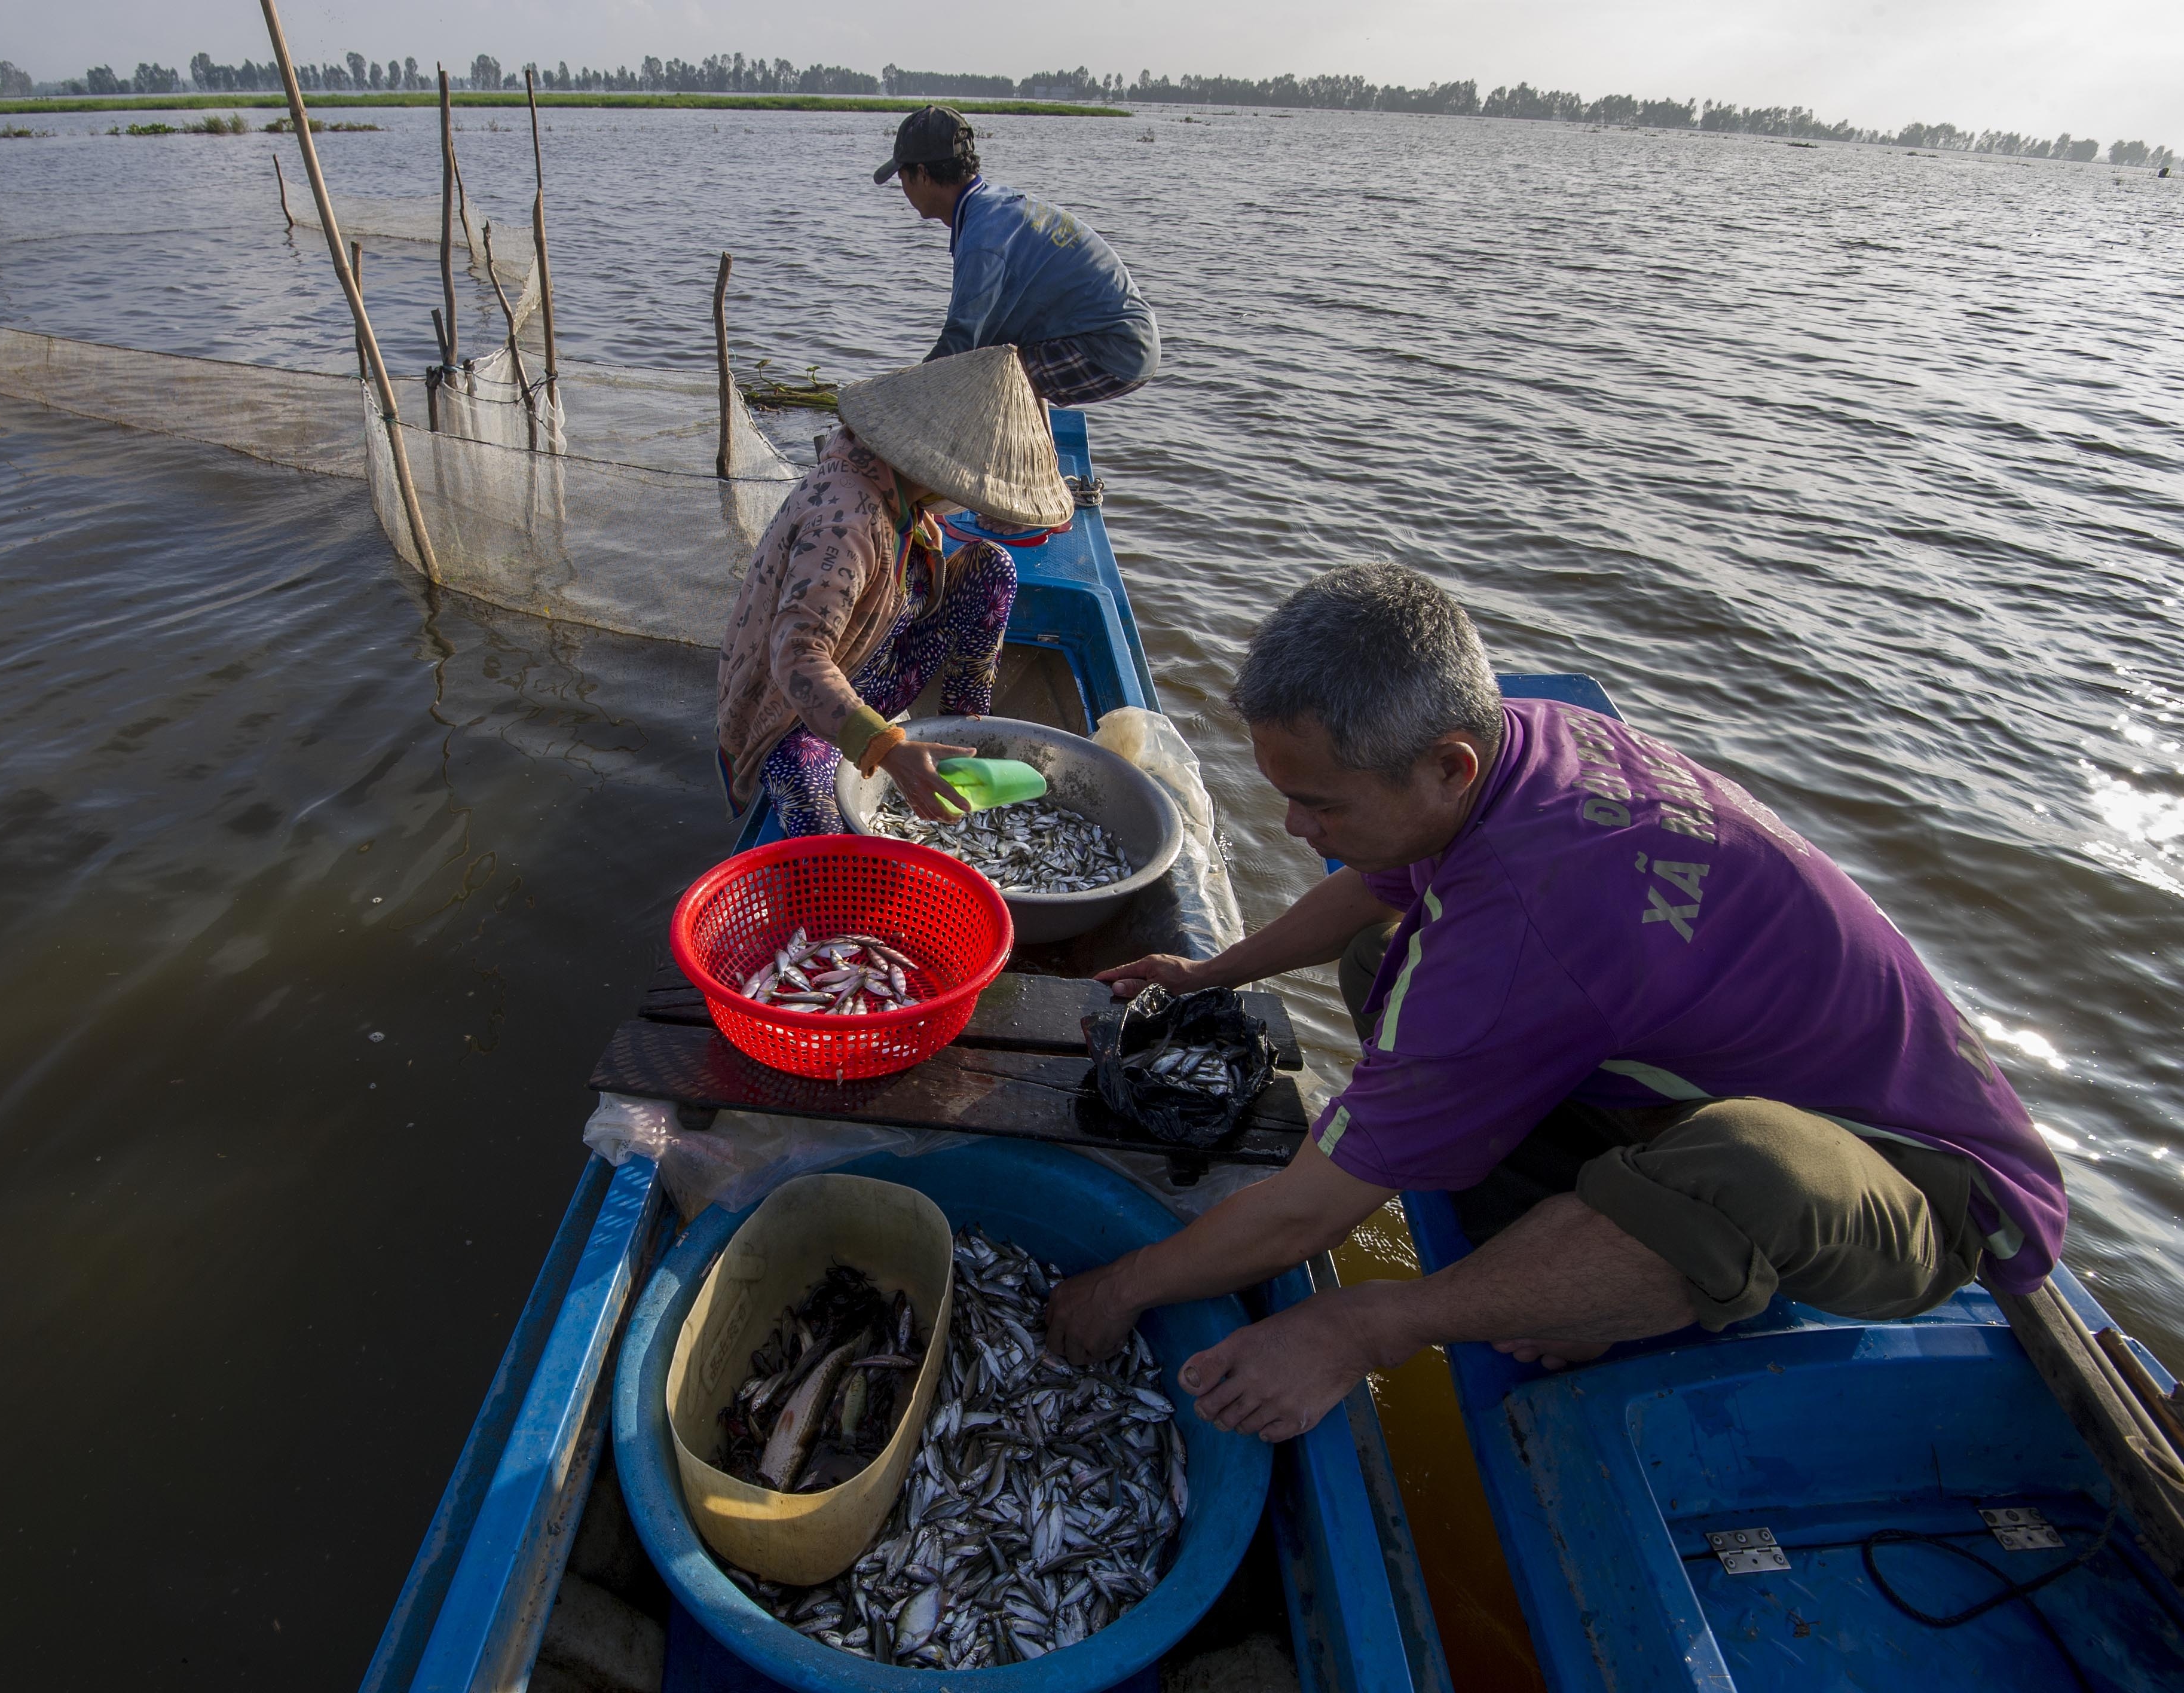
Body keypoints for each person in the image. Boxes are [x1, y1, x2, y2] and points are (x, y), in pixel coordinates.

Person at [1044, 564, 2069, 1443]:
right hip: (1686, 1066)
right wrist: (1207, 973)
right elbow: (1376, 878)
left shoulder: (1529, 926)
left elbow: (1309, 1211)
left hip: (1926, 1193)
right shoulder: (1531, 742)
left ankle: (1477, 1302)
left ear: (1449, 762)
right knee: (1379, 950)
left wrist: (1120, 1290)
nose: (1289, 823)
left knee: (1741, 1166)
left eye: (1320, 802)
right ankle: (1588, 1263)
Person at [718, 344, 1073, 837]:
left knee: (993, 565)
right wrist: (887, 750)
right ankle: (891, 758)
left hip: (869, 663)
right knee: (821, 834)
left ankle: (959, 737)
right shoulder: (846, 526)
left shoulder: (901, 493)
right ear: (936, 468)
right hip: (794, 710)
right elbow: (798, 656)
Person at [876, 105, 1161, 408]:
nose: (903, 189)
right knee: (1002, 359)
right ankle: (1040, 450)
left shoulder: (982, 239)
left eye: (902, 177)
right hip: (1115, 338)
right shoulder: (992, 205)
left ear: (922, 175)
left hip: (1118, 347)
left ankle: (1016, 453)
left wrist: (898, 400)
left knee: (991, 377)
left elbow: (957, 345)